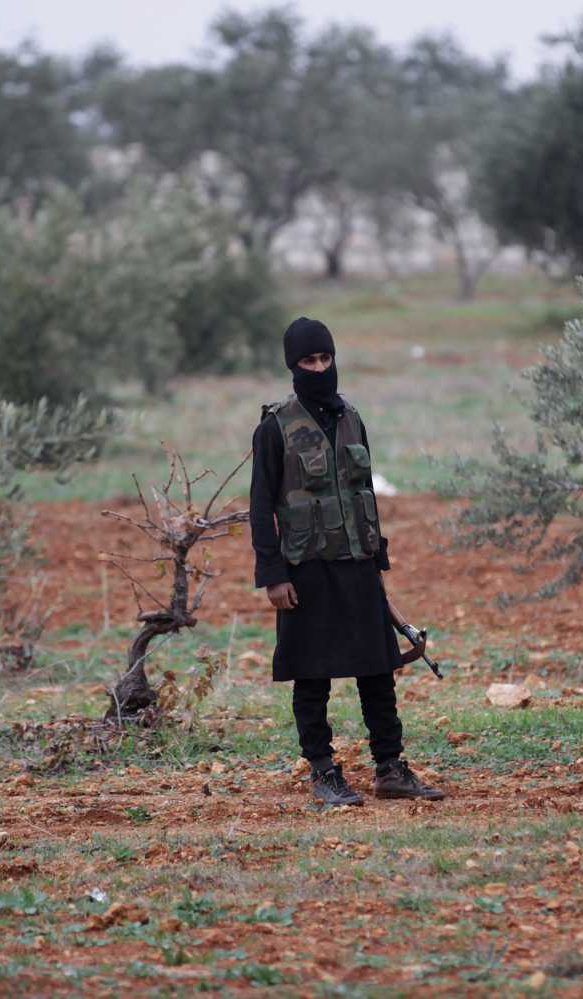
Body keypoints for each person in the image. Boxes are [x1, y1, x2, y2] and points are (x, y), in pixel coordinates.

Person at [249, 316, 444, 807]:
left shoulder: (352, 418)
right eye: (308, 361)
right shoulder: (275, 427)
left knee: (377, 672)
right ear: (293, 366)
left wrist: (378, 562)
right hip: (305, 570)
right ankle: (323, 773)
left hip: (358, 565)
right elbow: (259, 506)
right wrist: (271, 575)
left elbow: (365, 495)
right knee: (311, 677)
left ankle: (390, 769)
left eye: (325, 358)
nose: (319, 368)